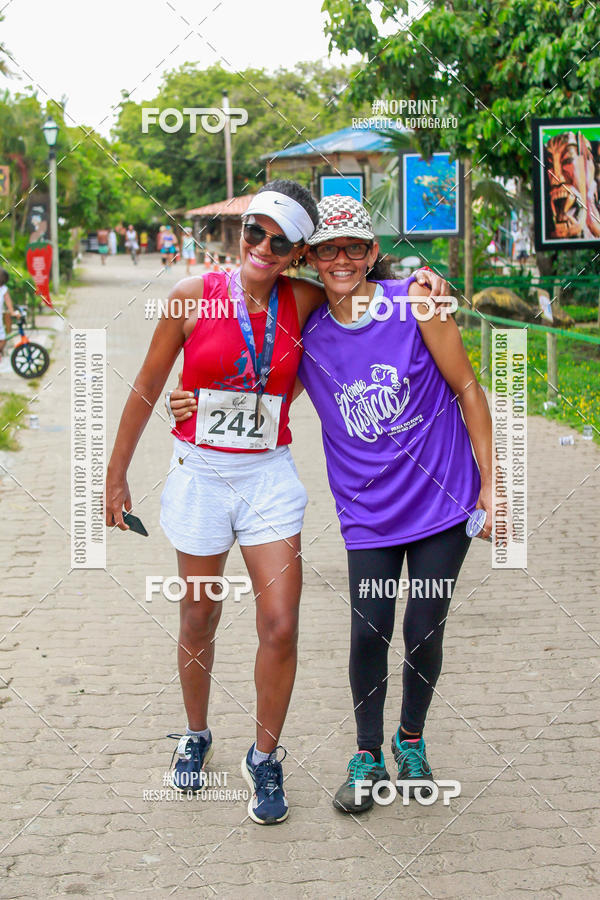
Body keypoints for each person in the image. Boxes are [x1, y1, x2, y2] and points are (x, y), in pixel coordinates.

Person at [107, 180, 446, 826]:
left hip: (268, 477)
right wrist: (115, 478)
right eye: (254, 232)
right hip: (200, 475)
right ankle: (197, 733)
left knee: (280, 624)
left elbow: (365, 290)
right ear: (242, 234)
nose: (261, 246)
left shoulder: (306, 299)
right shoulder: (190, 297)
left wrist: (423, 281)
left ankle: (264, 758)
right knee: (199, 620)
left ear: (296, 253)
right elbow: (149, 386)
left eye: (280, 240)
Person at [0, 269, 16, 369]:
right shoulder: (3, 289)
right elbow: (8, 301)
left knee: (3, 339)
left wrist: (12, 312)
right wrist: (12, 312)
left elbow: (8, 301)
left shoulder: (3, 289)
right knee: (2, 339)